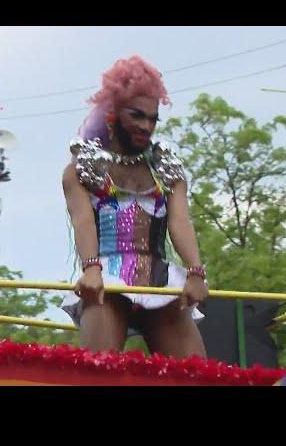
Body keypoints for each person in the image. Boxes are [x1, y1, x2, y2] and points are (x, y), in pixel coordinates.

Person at [61, 55, 208, 359]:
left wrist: (195, 272)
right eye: (137, 115)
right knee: (96, 372)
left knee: (197, 375)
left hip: (160, 279)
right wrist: (91, 267)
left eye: (153, 118)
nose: (146, 126)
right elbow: (83, 221)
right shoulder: (82, 169)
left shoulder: (167, 169)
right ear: (113, 113)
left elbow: (180, 222)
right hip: (107, 276)